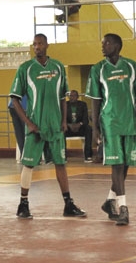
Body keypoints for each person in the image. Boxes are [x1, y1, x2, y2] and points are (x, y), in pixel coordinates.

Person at [9, 33, 86, 219]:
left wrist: (63, 120)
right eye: (34, 44)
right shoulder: (25, 69)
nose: (37, 47)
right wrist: (29, 123)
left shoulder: (59, 67)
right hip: (36, 126)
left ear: (47, 45)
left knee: (61, 163)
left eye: (40, 43)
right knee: (28, 165)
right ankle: (23, 204)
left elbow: (62, 97)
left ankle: (68, 204)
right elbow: (14, 99)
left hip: (55, 126)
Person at [84, 33, 136, 226]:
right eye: (102, 43)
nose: (103, 46)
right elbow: (95, 100)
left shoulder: (131, 66)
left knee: (126, 165)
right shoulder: (98, 69)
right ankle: (123, 209)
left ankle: (109, 201)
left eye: (107, 43)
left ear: (118, 46)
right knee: (117, 165)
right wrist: (95, 127)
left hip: (129, 121)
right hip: (109, 122)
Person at [64, 90, 93, 162]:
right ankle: (63, 156)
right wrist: (69, 125)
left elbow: (86, 120)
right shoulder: (65, 105)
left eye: (73, 96)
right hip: (68, 128)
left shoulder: (83, 104)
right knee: (61, 130)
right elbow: (61, 119)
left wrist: (79, 124)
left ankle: (88, 156)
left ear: (77, 97)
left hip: (80, 128)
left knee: (88, 129)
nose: (71, 97)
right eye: (70, 96)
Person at [8, 94, 28, 158]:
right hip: (23, 107)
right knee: (27, 133)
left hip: (12, 106)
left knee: (19, 133)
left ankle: (23, 155)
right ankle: (29, 156)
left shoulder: (17, 84)